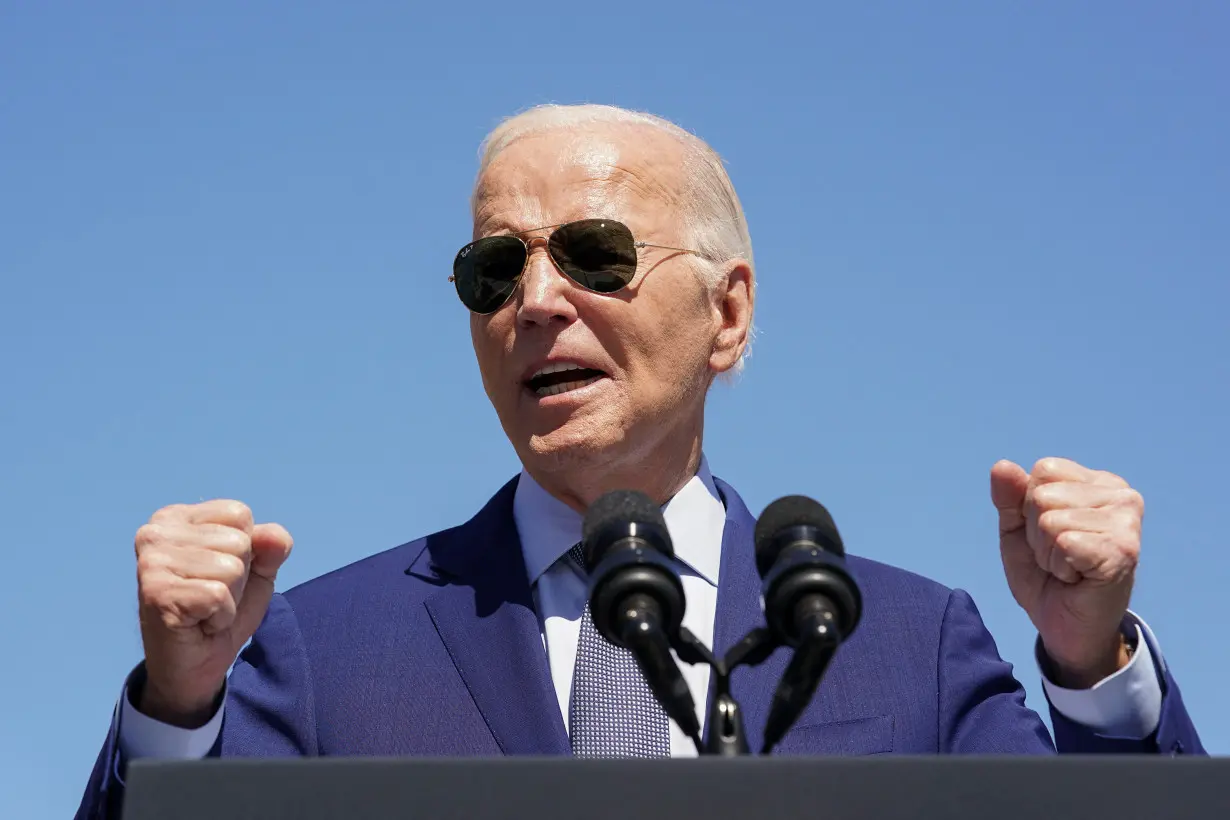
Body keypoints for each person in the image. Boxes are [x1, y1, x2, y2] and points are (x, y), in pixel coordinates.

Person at [75, 104, 1204, 819]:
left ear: (728, 313)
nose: (535, 301)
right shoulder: (320, 649)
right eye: (492, 270)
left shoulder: (910, 644)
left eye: (593, 254)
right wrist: (176, 708)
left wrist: (1091, 665)